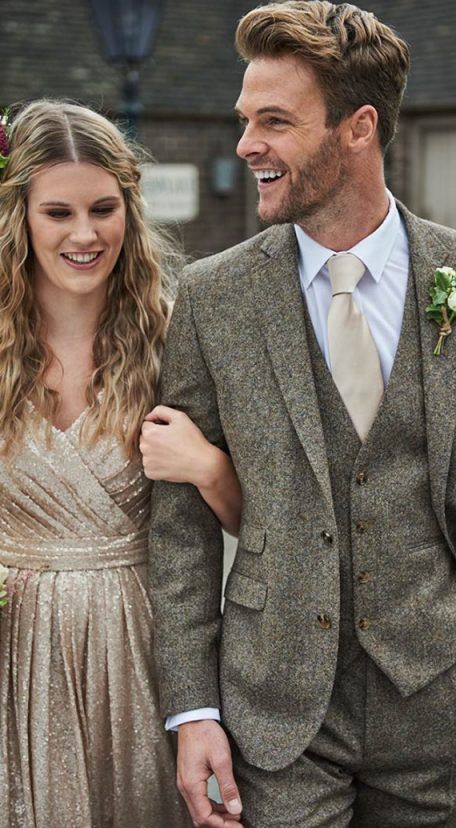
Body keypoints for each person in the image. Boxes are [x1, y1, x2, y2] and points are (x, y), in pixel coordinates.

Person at [148, 2, 456, 826]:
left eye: (274, 121)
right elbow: (176, 526)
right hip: (276, 710)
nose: (245, 146)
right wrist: (192, 707)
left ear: (358, 126)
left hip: (440, 701)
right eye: (245, 120)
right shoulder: (212, 297)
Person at [0, 99, 241, 827]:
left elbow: (269, 522)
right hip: (17, 655)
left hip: (144, 652)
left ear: (129, 213)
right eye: (57, 213)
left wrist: (207, 466)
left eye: (104, 208)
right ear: (19, 219)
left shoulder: (179, 339)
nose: (84, 234)